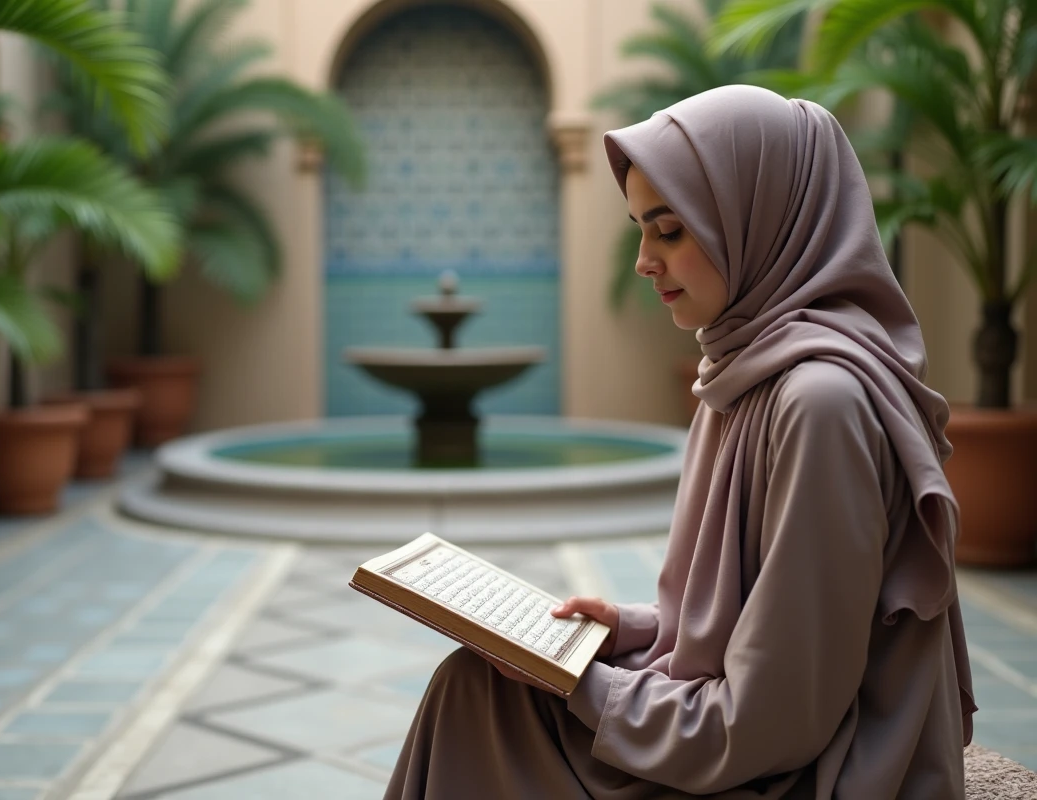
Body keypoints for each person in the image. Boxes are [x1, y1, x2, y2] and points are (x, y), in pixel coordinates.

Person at [384, 85, 976, 799]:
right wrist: (630, 629)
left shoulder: (820, 402)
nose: (644, 261)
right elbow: (772, 620)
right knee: (475, 686)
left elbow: (779, 717)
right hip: (750, 733)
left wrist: (583, 684)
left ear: (759, 222)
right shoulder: (747, 370)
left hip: (813, 770)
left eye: (669, 231)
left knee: (477, 702)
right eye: (641, 229)